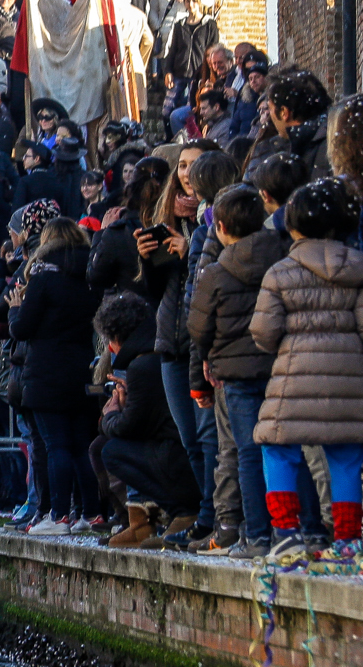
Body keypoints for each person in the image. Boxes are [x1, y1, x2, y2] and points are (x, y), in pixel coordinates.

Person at [250, 178, 363, 560]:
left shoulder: (280, 273)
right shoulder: (360, 269)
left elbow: (264, 333)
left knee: (278, 449)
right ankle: (348, 540)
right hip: (350, 379)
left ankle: (287, 534)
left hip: (292, 380)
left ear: (292, 226)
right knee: (346, 456)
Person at [187, 184, 284, 557]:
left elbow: (197, 329)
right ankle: (293, 530)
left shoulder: (215, 272)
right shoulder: (282, 256)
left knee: (246, 452)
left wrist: (205, 366)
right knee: (285, 448)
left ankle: (256, 535)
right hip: (278, 366)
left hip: (236, 376)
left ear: (222, 228)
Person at [9, 218, 104, 535]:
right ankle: (91, 513)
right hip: (81, 366)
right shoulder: (90, 276)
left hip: (47, 370)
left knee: (56, 446)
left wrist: (15, 309)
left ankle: (59, 515)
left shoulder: (43, 277)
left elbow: (22, 328)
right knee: (81, 445)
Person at [93, 290, 197, 547]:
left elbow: (129, 428)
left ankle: (182, 512)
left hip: (178, 460)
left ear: (117, 337)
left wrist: (112, 412)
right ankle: (139, 523)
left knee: (111, 451)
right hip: (181, 453)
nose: (109, 348)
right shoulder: (155, 353)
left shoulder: (142, 365)